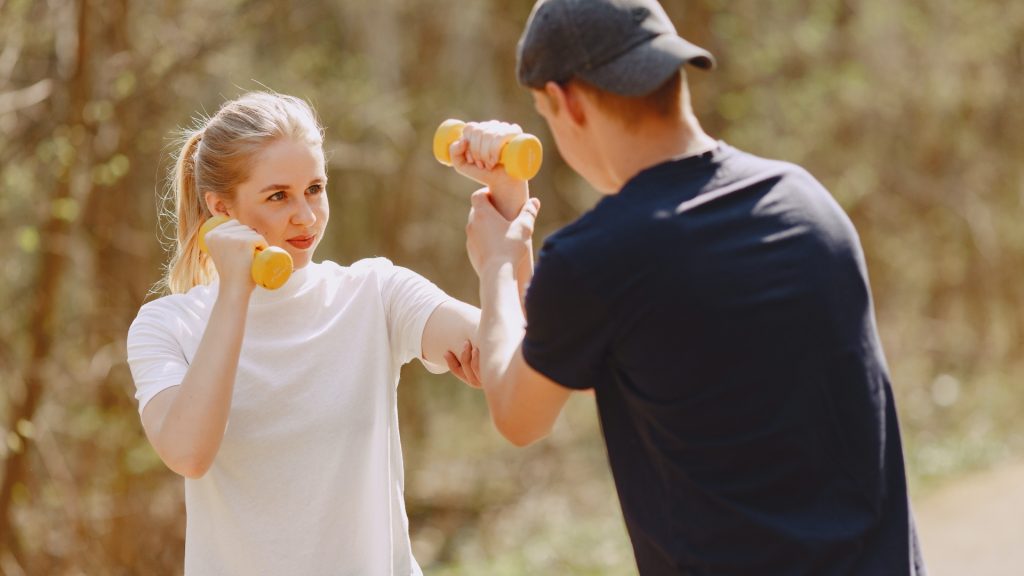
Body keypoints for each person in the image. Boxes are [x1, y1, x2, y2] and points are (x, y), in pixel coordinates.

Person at [450, 0, 927, 574]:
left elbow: (519, 411)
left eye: (543, 113)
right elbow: (570, 358)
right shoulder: (805, 204)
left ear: (568, 102)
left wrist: (498, 265)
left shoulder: (601, 259)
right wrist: (513, 205)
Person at [126, 91, 482, 575]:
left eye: (315, 188)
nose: (307, 216)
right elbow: (188, 452)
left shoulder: (374, 292)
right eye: (278, 196)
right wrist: (235, 291)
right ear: (221, 210)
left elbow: (506, 355)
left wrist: (505, 207)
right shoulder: (167, 326)